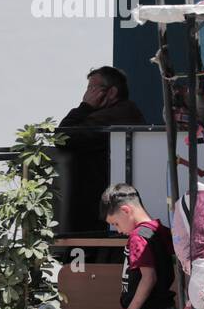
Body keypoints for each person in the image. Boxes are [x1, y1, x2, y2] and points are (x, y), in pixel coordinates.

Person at [57, 67, 147, 233]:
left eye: (92, 88)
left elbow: (63, 137)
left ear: (111, 92)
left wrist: (84, 106)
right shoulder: (123, 111)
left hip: (98, 202)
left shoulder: (112, 115)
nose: (87, 94)